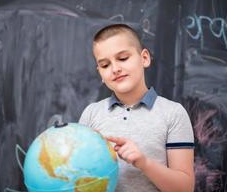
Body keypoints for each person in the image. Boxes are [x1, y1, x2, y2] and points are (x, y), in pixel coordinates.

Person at [79, 24, 195, 192]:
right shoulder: (91, 114)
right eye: (105, 65)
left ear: (145, 58)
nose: (115, 69)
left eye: (123, 58)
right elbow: (79, 178)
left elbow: (185, 188)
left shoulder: (173, 114)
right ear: (100, 74)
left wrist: (143, 162)